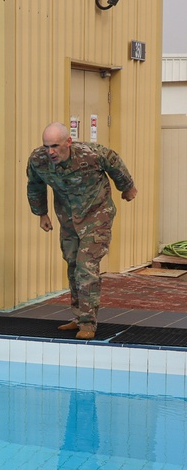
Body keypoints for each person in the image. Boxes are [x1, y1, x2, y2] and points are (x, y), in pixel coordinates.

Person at [27, 122, 137, 340]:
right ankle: (78, 317)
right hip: (68, 217)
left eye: (55, 146)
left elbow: (115, 164)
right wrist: (41, 213)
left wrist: (127, 187)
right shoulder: (38, 159)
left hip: (97, 214)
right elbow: (35, 185)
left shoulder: (92, 154)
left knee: (86, 266)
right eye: (47, 146)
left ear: (68, 142)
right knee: (73, 264)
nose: (50, 152)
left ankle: (88, 323)